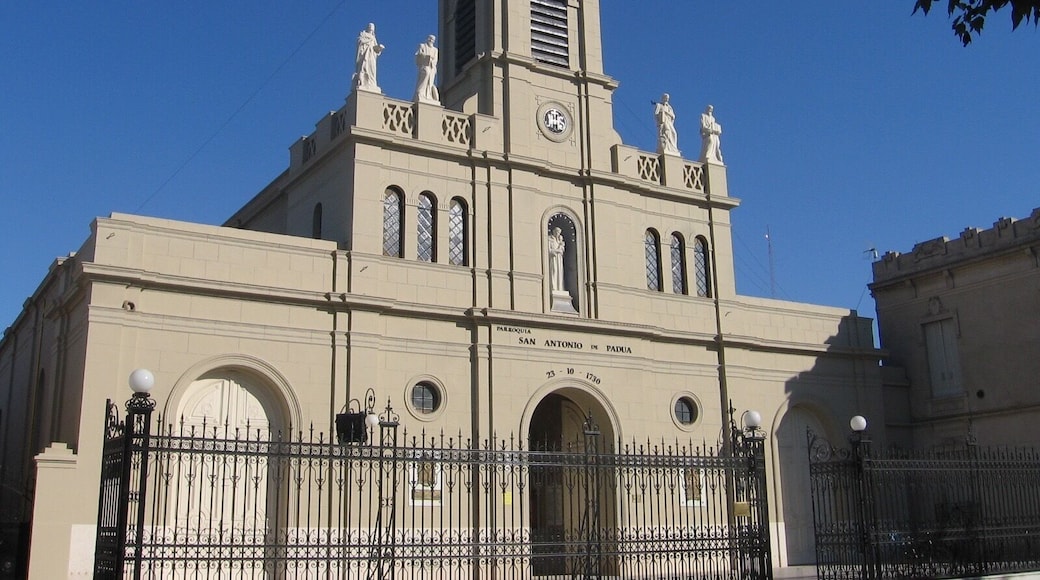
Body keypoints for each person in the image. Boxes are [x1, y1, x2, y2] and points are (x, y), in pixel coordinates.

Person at [353, 23, 385, 92]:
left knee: (372, 70)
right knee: (364, 67)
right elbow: (360, 41)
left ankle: (371, 83)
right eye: (370, 27)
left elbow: (375, 49)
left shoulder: (373, 37)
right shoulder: (363, 34)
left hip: (371, 56)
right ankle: (363, 83)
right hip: (365, 55)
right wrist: (368, 41)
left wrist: (379, 48)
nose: (371, 29)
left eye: (372, 28)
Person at [414, 35, 440, 104]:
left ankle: (428, 95)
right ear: (428, 39)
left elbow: (435, 59)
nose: (431, 40)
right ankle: (420, 92)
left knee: (430, 80)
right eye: (430, 39)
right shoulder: (422, 46)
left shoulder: (435, 50)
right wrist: (424, 56)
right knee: (426, 73)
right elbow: (418, 55)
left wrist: (431, 60)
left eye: (433, 40)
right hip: (424, 65)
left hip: (431, 67)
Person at [548, 227, 566, 292]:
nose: (557, 233)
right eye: (556, 231)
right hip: (553, 258)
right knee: (554, 271)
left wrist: (560, 249)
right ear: (553, 231)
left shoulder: (560, 241)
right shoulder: (550, 239)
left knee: (559, 272)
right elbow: (549, 250)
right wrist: (555, 251)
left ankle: (560, 287)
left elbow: (562, 250)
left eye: (558, 232)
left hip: (559, 259)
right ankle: (553, 287)